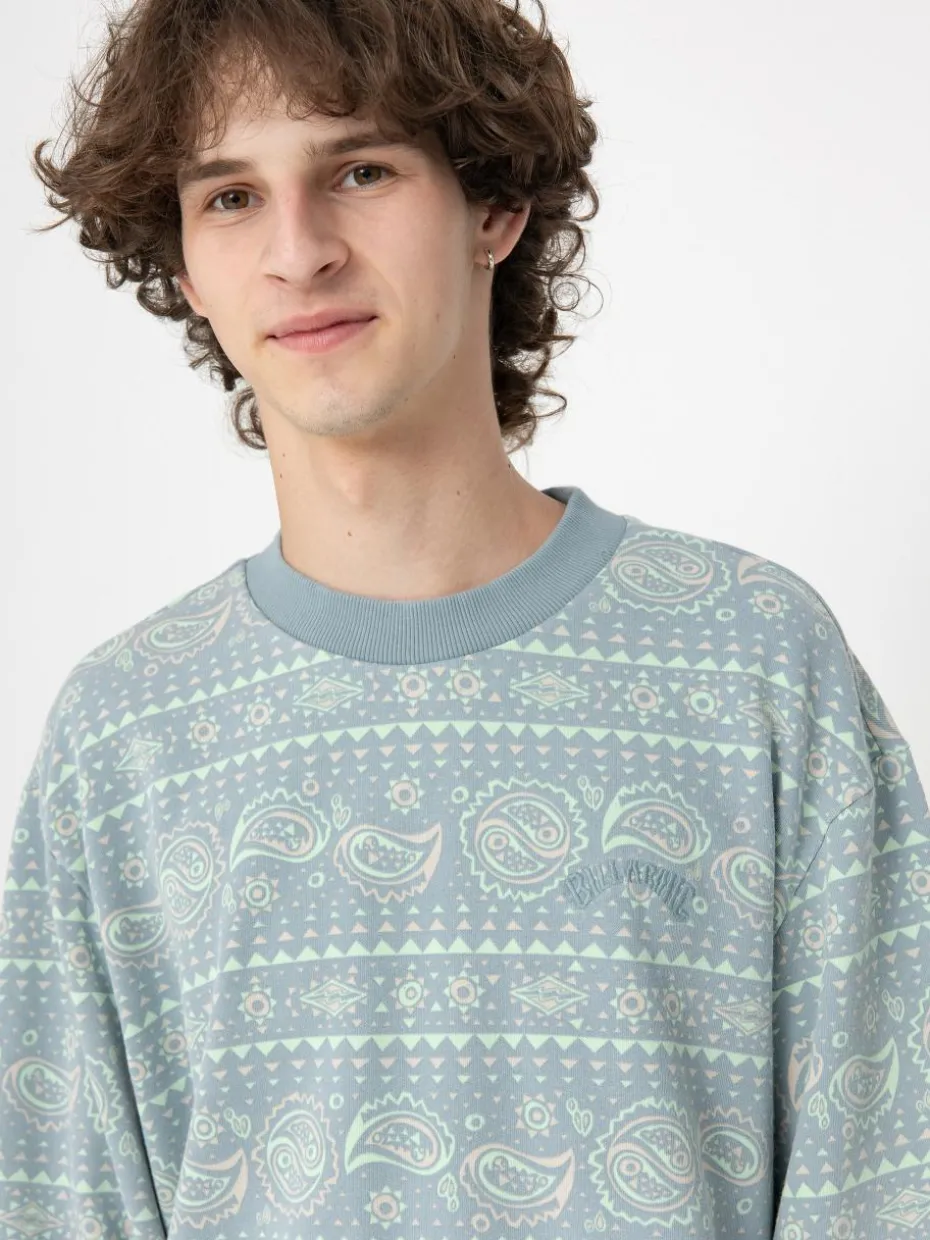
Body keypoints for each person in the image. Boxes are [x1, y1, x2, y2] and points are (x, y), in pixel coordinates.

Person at [4, 1, 928, 1237]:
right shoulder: (122, 737)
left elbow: (886, 1179)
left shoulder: (753, 662)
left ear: (495, 205)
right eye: (230, 197)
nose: (297, 251)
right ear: (186, 270)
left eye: (361, 171)